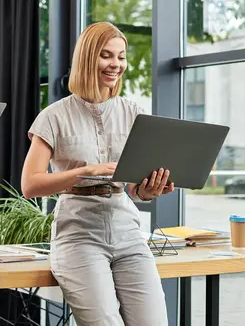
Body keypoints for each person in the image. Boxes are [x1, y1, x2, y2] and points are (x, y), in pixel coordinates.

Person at [21, 21, 173, 326]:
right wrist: (86, 172)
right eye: (106, 55)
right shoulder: (54, 116)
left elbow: (132, 186)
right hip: (79, 234)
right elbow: (31, 184)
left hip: (127, 231)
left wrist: (147, 190)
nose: (115, 64)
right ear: (87, 59)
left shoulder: (133, 113)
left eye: (121, 56)